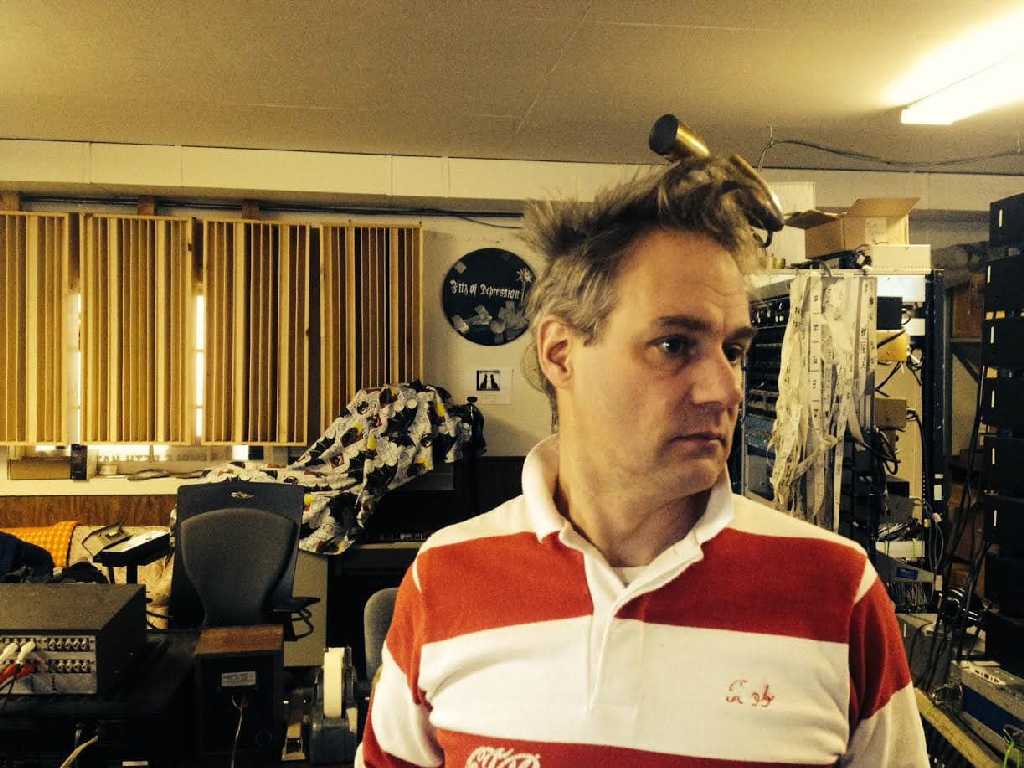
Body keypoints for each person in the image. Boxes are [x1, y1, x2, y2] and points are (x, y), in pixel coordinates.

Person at [357, 157, 929, 767]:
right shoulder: (444, 577)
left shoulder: (839, 592)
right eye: (674, 345)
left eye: (733, 350)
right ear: (560, 352)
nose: (725, 389)